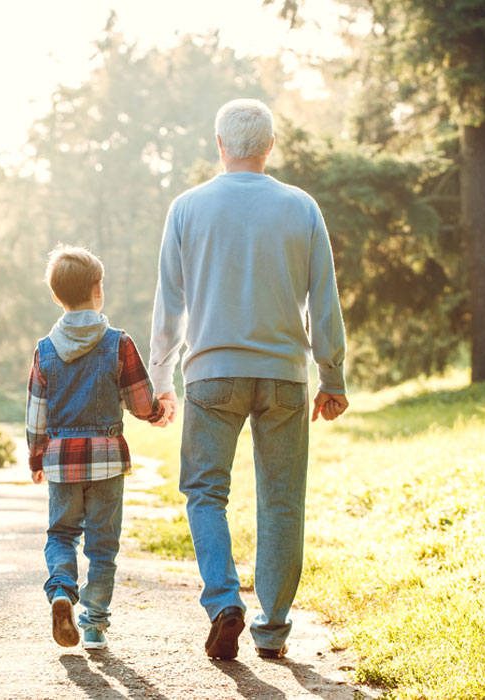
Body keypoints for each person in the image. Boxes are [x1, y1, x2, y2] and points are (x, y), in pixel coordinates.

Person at [148, 98, 348, 661]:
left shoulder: (187, 207)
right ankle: (273, 630)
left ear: (219, 144)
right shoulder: (302, 207)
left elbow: (171, 303)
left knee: (205, 493)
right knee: (282, 502)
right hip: (285, 377)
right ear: (270, 146)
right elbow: (324, 300)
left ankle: (223, 601)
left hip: (211, 375)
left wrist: (160, 376)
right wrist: (331, 374)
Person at [26, 244, 173, 650]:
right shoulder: (118, 342)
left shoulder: (45, 349)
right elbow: (141, 401)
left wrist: (36, 458)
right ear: (98, 289)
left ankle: (61, 590)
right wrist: (160, 412)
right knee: (103, 547)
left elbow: (36, 413)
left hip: (60, 461)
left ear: (56, 296)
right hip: (107, 461)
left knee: (61, 535)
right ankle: (94, 625)